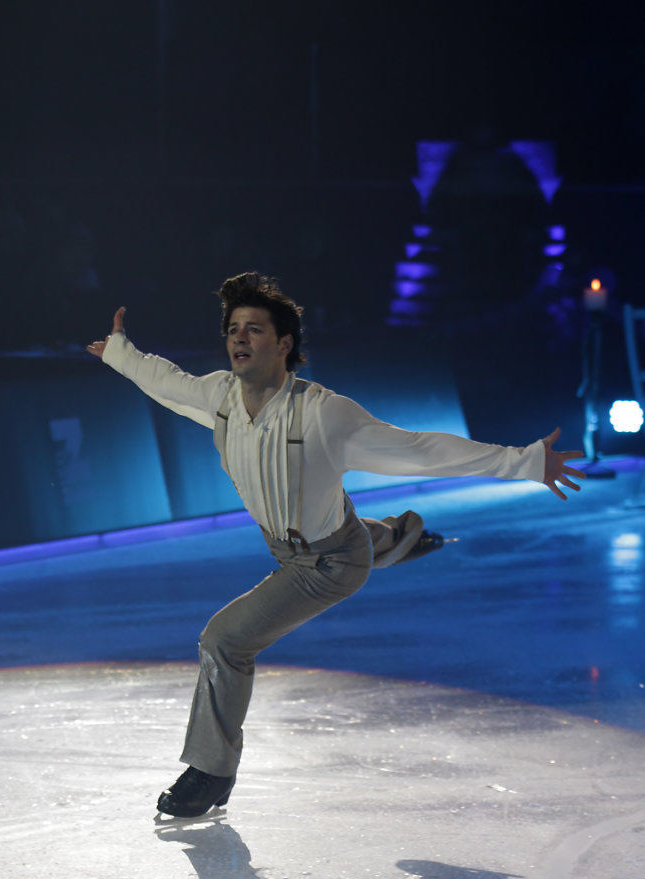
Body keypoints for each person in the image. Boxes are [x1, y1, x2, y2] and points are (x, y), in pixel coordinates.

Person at [87, 272, 585, 818]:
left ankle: (210, 772)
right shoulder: (220, 398)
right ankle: (401, 538)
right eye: (233, 329)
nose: (239, 338)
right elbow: (167, 382)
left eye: (254, 329)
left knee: (224, 641)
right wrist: (119, 351)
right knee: (356, 536)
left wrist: (527, 460)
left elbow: (421, 451)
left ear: (284, 346)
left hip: (325, 563)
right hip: (316, 537)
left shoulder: (325, 414)